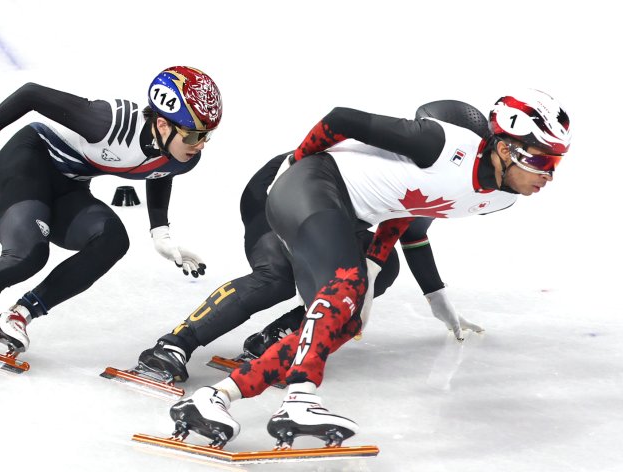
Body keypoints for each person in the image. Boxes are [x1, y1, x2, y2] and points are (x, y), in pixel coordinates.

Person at [168, 89, 571, 448]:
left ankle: (216, 397)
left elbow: (409, 206)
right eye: (541, 160)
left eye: (555, 163)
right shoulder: (442, 143)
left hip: (344, 212)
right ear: (504, 149)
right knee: (344, 285)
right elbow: (342, 118)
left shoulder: (500, 199)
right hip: (310, 183)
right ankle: (300, 398)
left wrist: (376, 270)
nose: (548, 175)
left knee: (343, 323)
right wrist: (294, 160)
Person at [0, 66, 222, 369]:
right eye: (194, 135)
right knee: (28, 256)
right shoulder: (107, 122)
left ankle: (18, 315)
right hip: (27, 164)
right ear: (162, 124)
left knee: (113, 241)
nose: (201, 144)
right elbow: (31, 93)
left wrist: (160, 232)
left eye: (207, 135)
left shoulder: (185, 155)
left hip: (69, 187)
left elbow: (161, 173)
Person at [137, 100, 487, 384]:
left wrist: (437, 297)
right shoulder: (419, 153)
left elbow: (413, 234)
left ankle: (275, 338)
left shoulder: (444, 177)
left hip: (333, 212)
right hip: (280, 190)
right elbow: (340, 122)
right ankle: (174, 344)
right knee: (276, 277)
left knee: (377, 271)